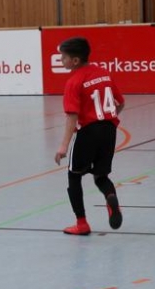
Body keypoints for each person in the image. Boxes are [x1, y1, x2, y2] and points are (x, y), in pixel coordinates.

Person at [53, 37, 125, 236]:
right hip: (109, 130)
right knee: (101, 176)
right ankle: (110, 198)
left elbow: (72, 117)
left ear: (75, 60)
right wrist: (106, 120)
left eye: (64, 57)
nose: (61, 60)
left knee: (74, 176)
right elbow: (120, 103)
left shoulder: (73, 82)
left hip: (88, 133)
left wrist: (63, 146)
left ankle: (82, 223)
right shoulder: (103, 74)